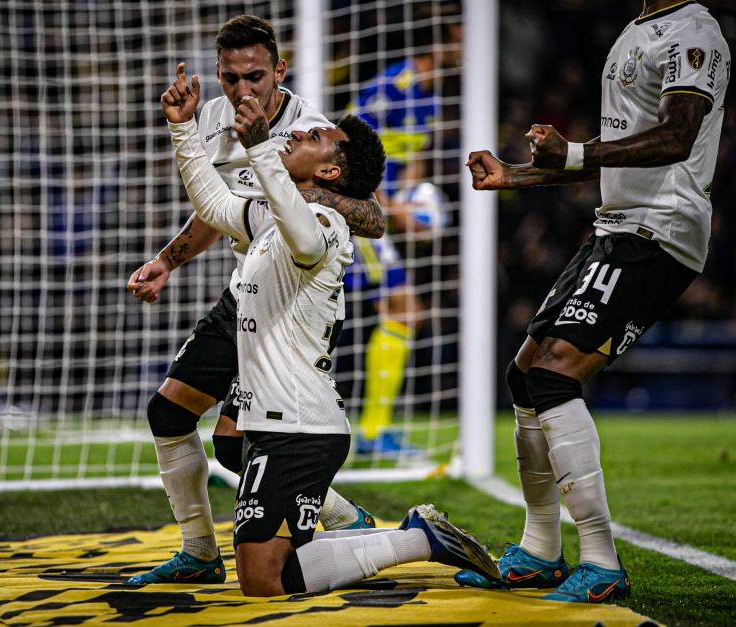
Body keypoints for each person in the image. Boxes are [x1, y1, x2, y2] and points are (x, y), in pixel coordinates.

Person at [160, 60, 499, 597]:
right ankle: (376, 530)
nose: (300, 131)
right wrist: (182, 129)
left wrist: (262, 149)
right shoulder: (274, 211)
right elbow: (216, 204)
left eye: (315, 136)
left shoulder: (321, 223)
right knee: (262, 567)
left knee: (261, 581)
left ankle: (416, 540)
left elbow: (306, 236)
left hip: (299, 424)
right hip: (268, 415)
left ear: (330, 173)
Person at [456, 0, 730, 604]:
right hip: (617, 225)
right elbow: (620, 151)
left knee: (555, 374)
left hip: (660, 229)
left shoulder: (694, 33)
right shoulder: (635, 30)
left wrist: (576, 153)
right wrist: (517, 175)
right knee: (526, 375)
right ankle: (539, 550)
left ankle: (601, 561)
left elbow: (679, 137)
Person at [126, 15, 384, 585]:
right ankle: (199, 550)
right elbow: (221, 210)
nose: (243, 90)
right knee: (173, 413)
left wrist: (295, 183)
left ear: (279, 72)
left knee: (240, 448)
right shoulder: (214, 116)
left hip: (290, 307)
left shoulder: (309, 131)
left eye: (256, 76)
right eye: (230, 77)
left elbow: (373, 215)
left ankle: (345, 520)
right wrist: (168, 259)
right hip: (247, 292)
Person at [348, 29, 456, 456]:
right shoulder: (391, 87)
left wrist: (410, 198)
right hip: (355, 209)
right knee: (404, 310)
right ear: (441, 40)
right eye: (462, 36)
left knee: (402, 312)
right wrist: (396, 209)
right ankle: (372, 431)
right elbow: (348, 150)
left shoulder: (429, 99)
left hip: (379, 215)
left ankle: (374, 431)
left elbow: (416, 159)